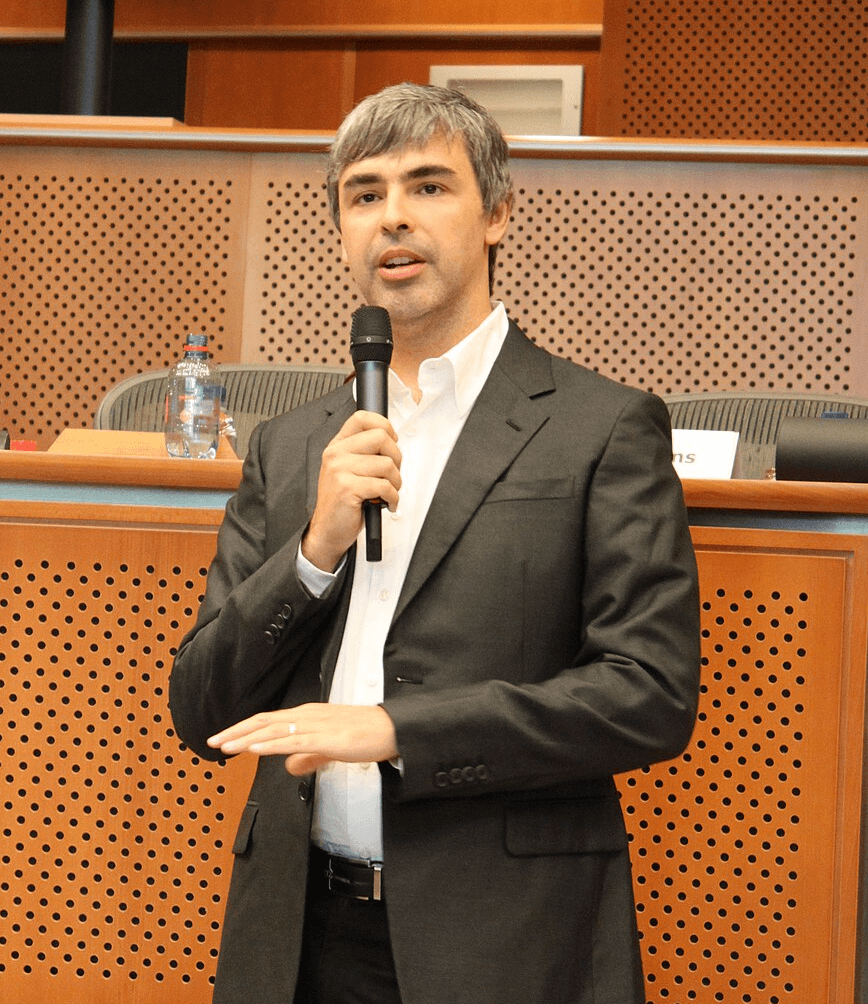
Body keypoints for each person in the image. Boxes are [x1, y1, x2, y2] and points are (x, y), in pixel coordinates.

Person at [168, 82, 701, 1004]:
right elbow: (201, 705)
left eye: (428, 186)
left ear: (496, 213)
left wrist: (393, 732)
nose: (394, 219)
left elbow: (647, 694)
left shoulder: (600, 427)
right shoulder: (293, 445)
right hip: (297, 934)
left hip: (501, 936)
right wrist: (313, 550)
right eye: (364, 195)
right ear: (341, 229)